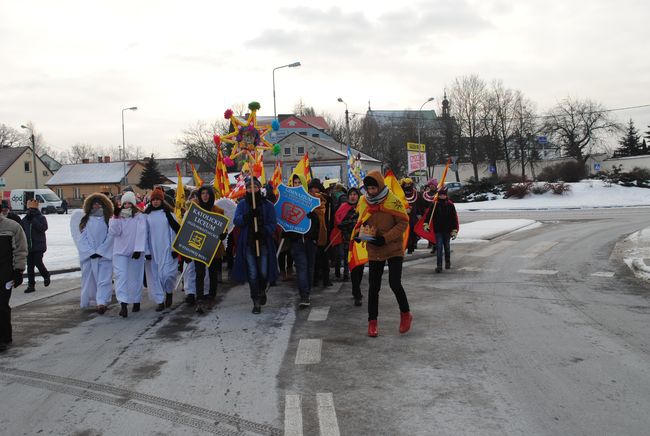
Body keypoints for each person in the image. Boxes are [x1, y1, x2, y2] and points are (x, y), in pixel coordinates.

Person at [357, 171, 412, 337]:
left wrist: (385, 238)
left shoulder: (392, 200)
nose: (371, 191)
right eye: (369, 189)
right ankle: (372, 322)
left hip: (393, 248)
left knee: (395, 283)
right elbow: (361, 221)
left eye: (374, 188)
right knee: (374, 287)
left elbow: (403, 222)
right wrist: (360, 235)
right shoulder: (364, 201)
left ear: (380, 186)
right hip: (375, 249)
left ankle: (405, 314)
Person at [232, 176, 278, 314]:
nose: (252, 190)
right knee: (252, 273)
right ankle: (256, 301)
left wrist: (263, 231)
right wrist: (248, 216)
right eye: (249, 188)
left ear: (259, 188)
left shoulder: (267, 205)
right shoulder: (242, 205)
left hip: (263, 243)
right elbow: (237, 221)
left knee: (263, 272)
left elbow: (273, 223)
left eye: (255, 187)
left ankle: (262, 289)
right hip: (248, 243)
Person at [73, 193, 114, 314]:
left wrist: (102, 251)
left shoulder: (108, 219)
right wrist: (90, 252)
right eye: (94, 203)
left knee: (104, 280)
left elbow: (110, 236)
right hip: (90, 257)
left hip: (104, 256)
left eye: (99, 203)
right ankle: (92, 300)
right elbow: (82, 238)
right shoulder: (86, 220)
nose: (96, 205)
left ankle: (102, 302)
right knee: (90, 280)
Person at [109, 191, 148, 318]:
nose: (126, 205)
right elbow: (114, 232)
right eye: (124, 203)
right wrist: (115, 218)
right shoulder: (118, 216)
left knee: (135, 277)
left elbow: (142, 233)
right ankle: (123, 304)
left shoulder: (139, 216)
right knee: (121, 276)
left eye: (129, 203)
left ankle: (136, 300)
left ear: (133, 204)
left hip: (135, 252)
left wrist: (138, 249)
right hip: (120, 252)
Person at [284, 174, 319, 308]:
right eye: (295, 182)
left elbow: (318, 224)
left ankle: (307, 292)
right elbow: (286, 220)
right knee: (301, 268)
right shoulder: (289, 201)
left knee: (309, 269)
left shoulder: (311, 201)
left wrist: (313, 218)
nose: (297, 184)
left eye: (299, 182)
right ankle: (304, 295)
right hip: (297, 241)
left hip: (310, 242)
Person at [144, 188, 180, 311]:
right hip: (153, 251)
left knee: (168, 275)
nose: (155, 202)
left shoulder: (169, 215)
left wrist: (174, 248)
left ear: (162, 200)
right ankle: (160, 301)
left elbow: (175, 231)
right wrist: (147, 251)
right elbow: (144, 235)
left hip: (167, 249)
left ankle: (169, 292)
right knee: (156, 277)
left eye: (158, 199)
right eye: (153, 200)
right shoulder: (147, 216)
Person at [192, 185, 226, 314]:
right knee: (199, 273)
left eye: (207, 193)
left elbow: (223, 227)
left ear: (211, 195)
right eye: (203, 193)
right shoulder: (196, 209)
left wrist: (224, 233)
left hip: (214, 247)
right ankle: (199, 299)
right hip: (199, 245)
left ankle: (211, 296)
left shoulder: (218, 210)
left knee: (212, 273)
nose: (205, 196)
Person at [0, 208, 28, 352]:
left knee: (2, 305)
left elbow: (21, 249)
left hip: (5, 274)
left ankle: (4, 337)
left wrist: (19, 270)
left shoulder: (12, 227)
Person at [422, 186, 459, 273]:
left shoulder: (450, 205)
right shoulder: (434, 205)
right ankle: (439, 266)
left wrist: (454, 230)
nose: (442, 196)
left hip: (447, 230)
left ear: (446, 196)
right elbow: (429, 215)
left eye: (444, 195)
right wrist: (426, 224)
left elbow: (454, 218)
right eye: (441, 195)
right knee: (439, 248)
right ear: (438, 195)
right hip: (438, 230)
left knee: (447, 247)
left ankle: (447, 262)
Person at [336, 187, 362, 304]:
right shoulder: (343, 207)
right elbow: (340, 223)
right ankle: (357, 294)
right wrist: (352, 221)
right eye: (351, 194)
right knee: (353, 268)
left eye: (355, 194)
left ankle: (356, 289)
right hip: (348, 243)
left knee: (360, 269)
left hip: (361, 243)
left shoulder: (362, 207)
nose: (353, 196)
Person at [20, 200, 50, 293]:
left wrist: (33, 220)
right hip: (28, 246)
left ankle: (46, 275)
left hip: (39, 246)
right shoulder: (25, 220)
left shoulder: (41, 218)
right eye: (29, 209)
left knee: (38, 262)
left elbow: (43, 228)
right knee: (30, 266)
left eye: (33, 209)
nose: (30, 211)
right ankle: (31, 285)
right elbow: (21, 232)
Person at [310, 179, 332, 288]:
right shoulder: (307, 200)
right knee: (314, 259)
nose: (315, 191)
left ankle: (326, 279)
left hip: (324, 233)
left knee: (324, 258)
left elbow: (330, 217)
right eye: (312, 188)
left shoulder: (325, 201)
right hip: (312, 234)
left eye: (317, 188)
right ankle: (314, 280)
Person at [400, 178, 424, 254]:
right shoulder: (400, 194)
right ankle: (408, 246)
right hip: (403, 216)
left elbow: (419, 204)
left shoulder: (416, 194)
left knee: (413, 232)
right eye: (406, 184)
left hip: (414, 216)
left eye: (409, 184)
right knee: (406, 232)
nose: (407, 186)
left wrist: (419, 214)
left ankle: (413, 245)